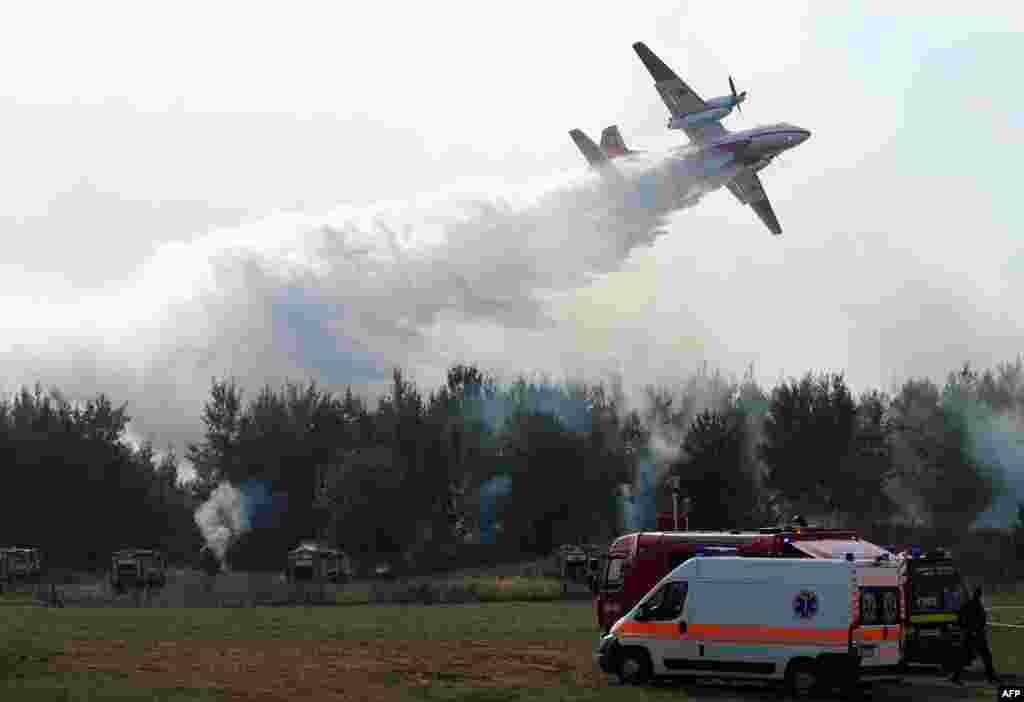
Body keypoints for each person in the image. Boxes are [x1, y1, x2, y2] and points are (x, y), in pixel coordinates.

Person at [950, 586, 1000, 685]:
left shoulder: (969, 604)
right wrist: (970, 628)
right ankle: (991, 677)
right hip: (975, 635)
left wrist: (965, 628)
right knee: (985, 656)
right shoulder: (974, 605)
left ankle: (956, 677)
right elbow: (978, 620)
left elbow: (960, 618)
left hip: (972, 634)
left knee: (968, 656)